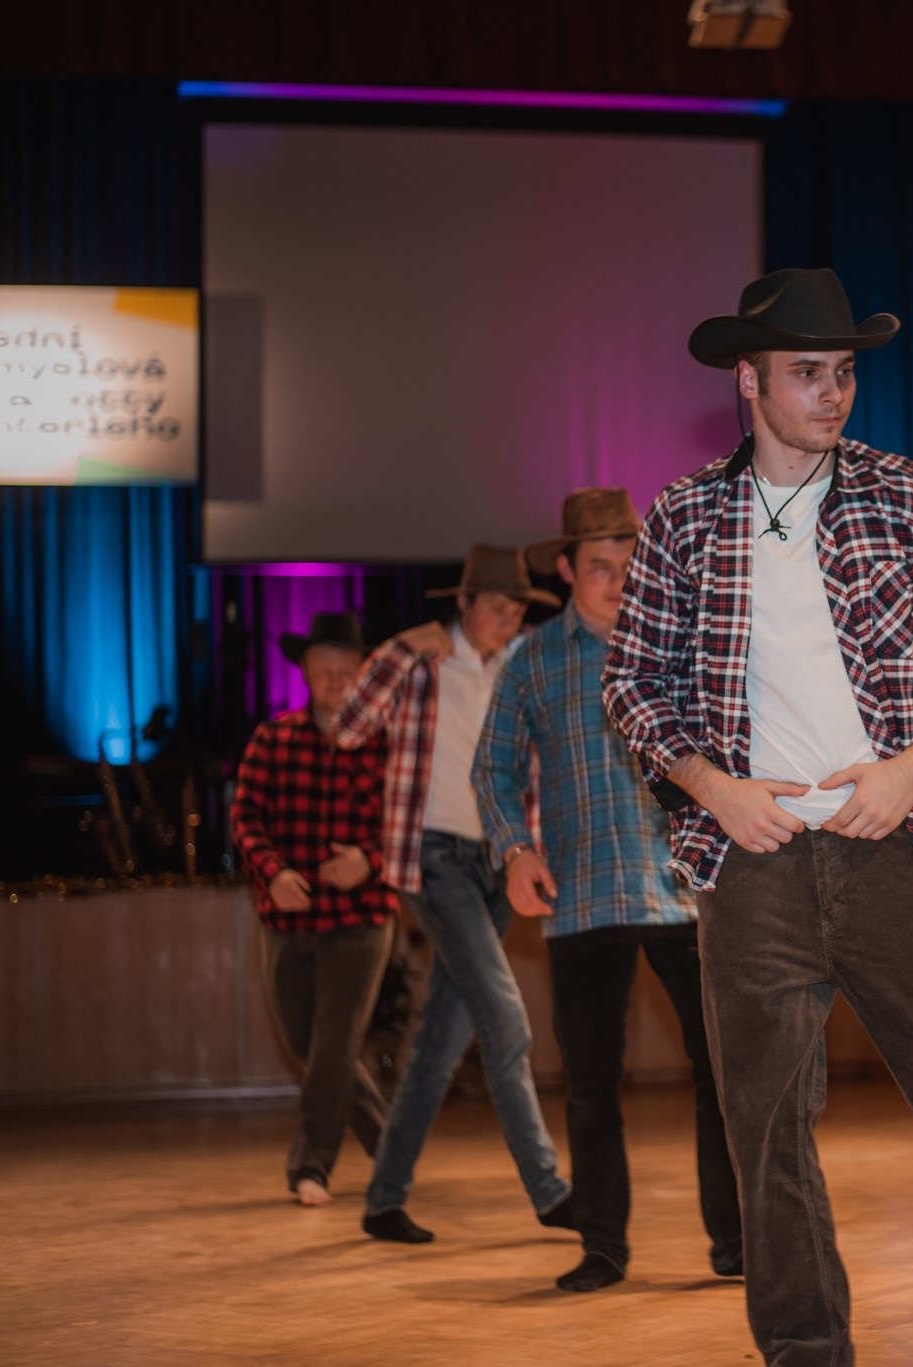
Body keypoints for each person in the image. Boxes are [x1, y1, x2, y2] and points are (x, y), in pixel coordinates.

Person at [603, 268, 913, 1366]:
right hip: (751, 864)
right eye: (806, 372)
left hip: (900, 851)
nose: (832, 393)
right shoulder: (684, 515)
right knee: (764, 1128)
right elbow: (631, 680)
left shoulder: (912, 497)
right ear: (748, 379)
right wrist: (712, 787)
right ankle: (804, 1347)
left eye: (844, 373)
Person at [475, 488, 742, 1294]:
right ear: (565, 570)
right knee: (591, 1083)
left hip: (683, 890)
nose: (619, 580)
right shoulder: (533, 660)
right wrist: (515, 850)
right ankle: (602, 1246)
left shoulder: (681, 645)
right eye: (600, 566)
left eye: (630, 564)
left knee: (720, 1070)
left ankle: (735, 1241)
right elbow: (491, 768)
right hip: (583, 897)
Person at [332, 544, 575, 1246]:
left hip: (499, 861)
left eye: (517, 610)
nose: (507, 620)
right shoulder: (419, 661)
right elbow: (347, 729)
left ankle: (384, 1200)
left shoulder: (519, 666)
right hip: (432, 855)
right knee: (505, 1020)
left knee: (441, 1040)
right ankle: (550, 1191)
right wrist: (399, 648)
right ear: (463, 603)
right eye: (496, 607)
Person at [230, 611, 395, 1206]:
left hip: (362, 919)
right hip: (288, 920)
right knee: (313, 1045)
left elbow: (412, 825)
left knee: (332, 1044)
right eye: (324, 668)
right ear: (304, 670)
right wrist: (272, 873)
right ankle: (392, 1147)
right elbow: (243, 816)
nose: (335, 680)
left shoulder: (388, 742)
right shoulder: (272, 739)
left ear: (363, 674)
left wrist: (369, 860)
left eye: (346, 669)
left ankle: (310, 1166)